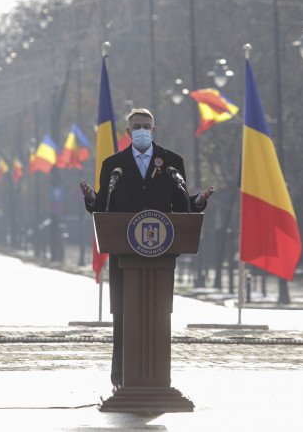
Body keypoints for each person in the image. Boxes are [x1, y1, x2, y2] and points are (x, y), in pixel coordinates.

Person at [80, 108, 214, 391]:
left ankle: (158, 381)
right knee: (124, 316)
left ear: (154, 131)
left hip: (160, 257)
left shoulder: (172, 162)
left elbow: (181, 204)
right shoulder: (113, 164)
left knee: (158, 316)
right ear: (128, 133)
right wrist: (92, 200)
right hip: (122, 255)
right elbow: (106, 204)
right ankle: (121, 379)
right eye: (136, 126)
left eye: (146, 126)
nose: (141, 130)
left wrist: (197, 201)